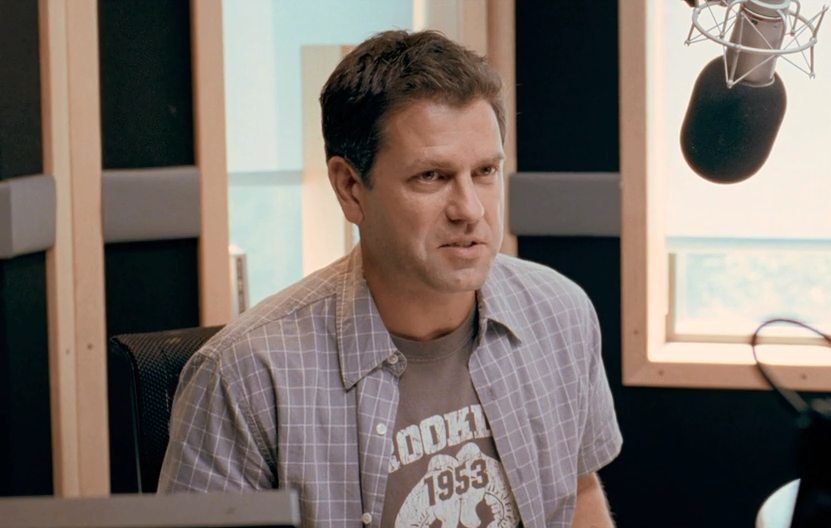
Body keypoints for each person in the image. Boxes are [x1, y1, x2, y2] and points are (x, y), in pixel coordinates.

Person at [158, 30, 622, 528]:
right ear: (350, 188)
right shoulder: (247, 375)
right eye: (431, 176)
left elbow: (578, 493)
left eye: (485, 171)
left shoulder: (560, 314)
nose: (470, 209)